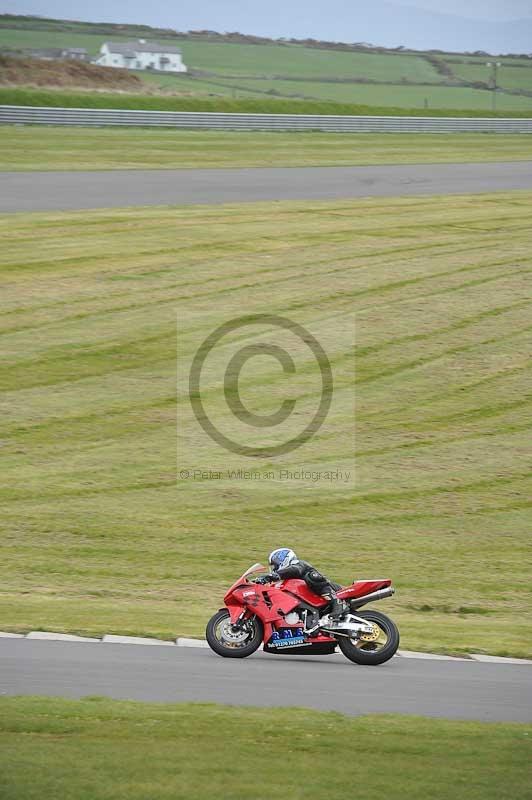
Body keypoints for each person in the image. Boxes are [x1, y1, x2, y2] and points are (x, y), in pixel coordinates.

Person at [256, 547, 347, 622]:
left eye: (275, 565)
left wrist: (272, 576)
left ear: (283, 560)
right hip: (314, 603)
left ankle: (338, 605)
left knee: (312, 577)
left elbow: (295, 570)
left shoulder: (298, 564)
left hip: (336, 590)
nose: (274, 569)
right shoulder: (285, 581)